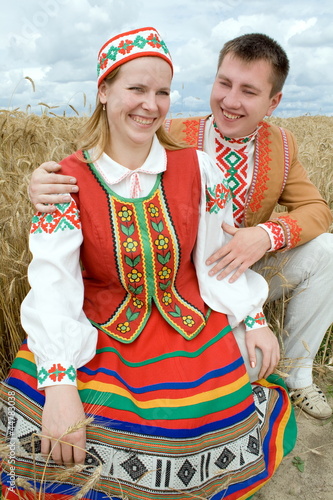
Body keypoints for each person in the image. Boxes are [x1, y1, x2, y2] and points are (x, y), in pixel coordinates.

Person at [0, 27, 296, 500]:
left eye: (162, 92)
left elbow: (218, 256)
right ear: (103, 91)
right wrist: (59, 383)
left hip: (190, 323)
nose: (150, 104)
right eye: (136, 88)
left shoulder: (196, 168)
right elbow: (54, 285)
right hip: (99, 332)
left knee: (200, 416)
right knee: (52, 418)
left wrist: (253, 318)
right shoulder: (66, 181)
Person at [30, 32, 333, 420]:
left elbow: (316, 211)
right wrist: (41, 184)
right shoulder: (176, 135)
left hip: (229, 276)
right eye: (223, 83)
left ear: (273, 103)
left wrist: (264, 235)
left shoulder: (282, 147)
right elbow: (112, 157)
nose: (230, 100)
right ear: (103, 90)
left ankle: (299, 372)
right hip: (170, 282)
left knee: (326, 252)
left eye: (249, 91)